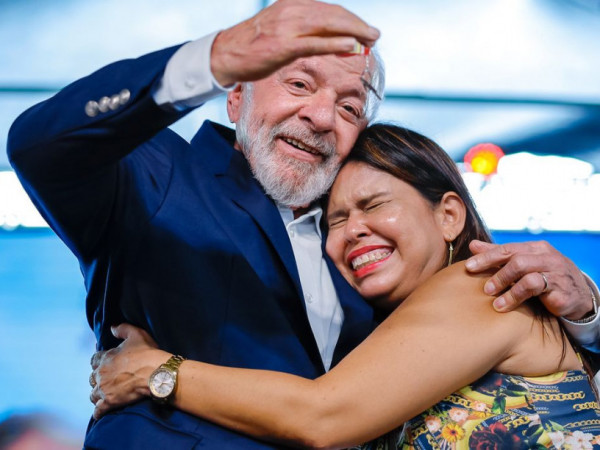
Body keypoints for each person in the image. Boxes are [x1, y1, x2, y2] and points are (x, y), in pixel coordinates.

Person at [6, 0, 599, 448]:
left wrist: (588, 318)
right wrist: (208, 60)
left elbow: (336, 408)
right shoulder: (161, 179)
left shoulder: (390, 275)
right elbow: (41, 145)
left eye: (349, 106)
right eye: (298, 83)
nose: (320, 115)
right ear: (235, 97)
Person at [91, 124, 600, 449]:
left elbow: (322, 415)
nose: (352, 229)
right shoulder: (379, 342)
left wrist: (155, 371)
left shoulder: (479, 287)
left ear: (449, 215)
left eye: (374, 205)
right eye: (333, 221)